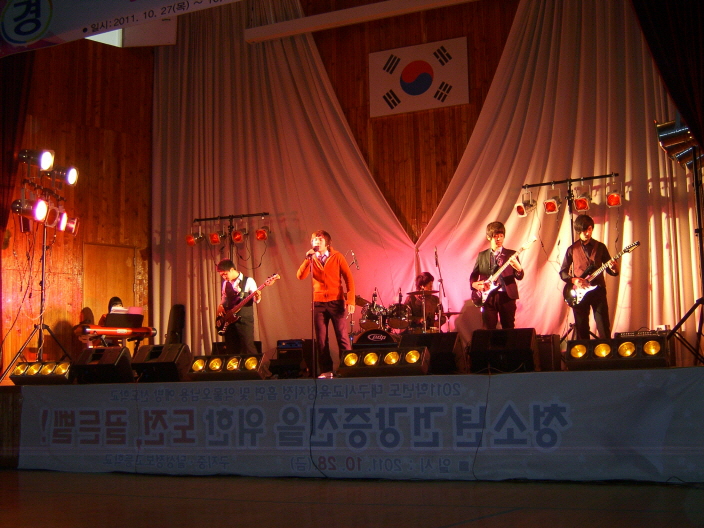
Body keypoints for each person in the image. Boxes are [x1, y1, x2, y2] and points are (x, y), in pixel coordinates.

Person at [296, 230, 355, 378]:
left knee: (342, 337)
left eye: (320, 239)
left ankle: (347, 369)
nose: (317, 242)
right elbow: (300, 276)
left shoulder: (337, 256)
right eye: (314, 240)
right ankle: (326, 370)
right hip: (319, 303)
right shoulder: (311, 258)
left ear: (327, 243)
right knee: (321, 340)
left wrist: (351, 300)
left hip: (336, 301)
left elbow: (349, 279)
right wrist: (307, 259)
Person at [560, 214, 618, 339]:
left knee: (603, 326)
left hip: (598, 290)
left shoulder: (600, 247)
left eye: (589, 229)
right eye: (584, 230)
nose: (587, 233)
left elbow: (610, 270)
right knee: (582, 328)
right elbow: (563, 272)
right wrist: (574, 280)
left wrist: (614, 268)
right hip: (579, 292)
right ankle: (584, 351)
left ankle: (607, 350)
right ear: (578, 231)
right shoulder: (572, 249)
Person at [470, 221, 524, 329]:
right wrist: (474, 285)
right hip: (488, 296)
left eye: (501, 236)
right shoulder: (482, 255)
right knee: (488, 328)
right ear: (489, 237)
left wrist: (519, 269)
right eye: (495, 236)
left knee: (508, 327)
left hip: (507, 296)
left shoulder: (511, 254)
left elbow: (519, 276)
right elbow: (474, 275)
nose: (499, 239)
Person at [216, 259, 261, 356]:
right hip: (230, 320)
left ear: (232, 269)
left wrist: (257, 296)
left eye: (225, 274)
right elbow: (224, 298)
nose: (224, 277)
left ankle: (255, 365)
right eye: (222, 275)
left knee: (248, 346)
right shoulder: (226, 283)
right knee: (232, 348)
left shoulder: (248, 281)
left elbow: (256, 300)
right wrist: (220, 306)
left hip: (244, 319)